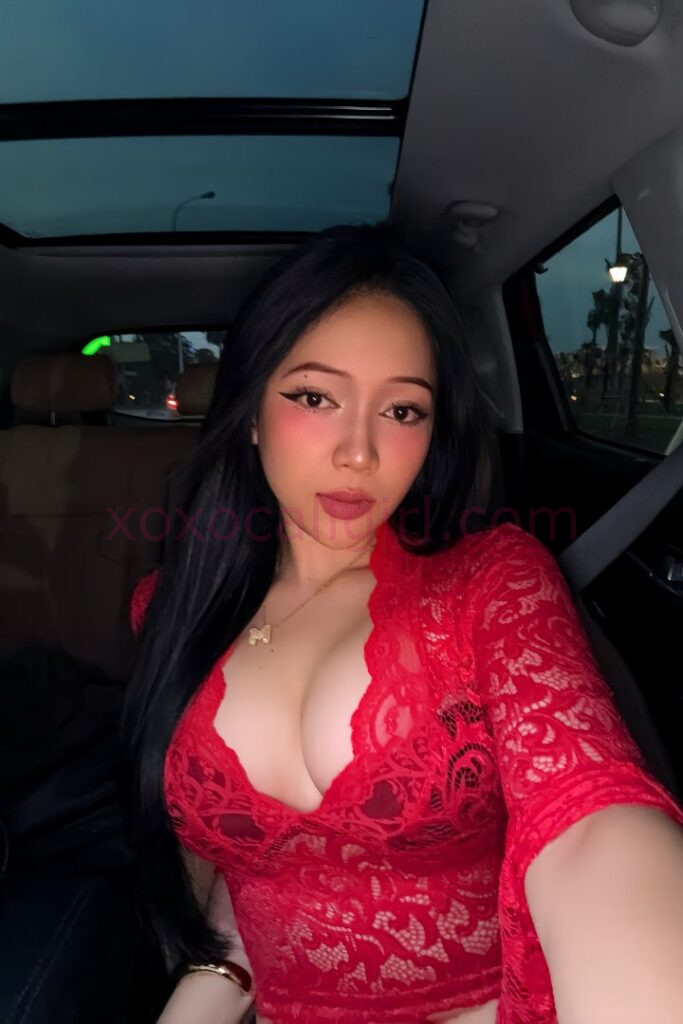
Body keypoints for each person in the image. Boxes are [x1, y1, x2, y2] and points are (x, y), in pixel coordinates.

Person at [121, 224, 683, 1024]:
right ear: (249, 413)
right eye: (314, 397)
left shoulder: (489, 584)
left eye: (401, 409)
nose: (359, 452)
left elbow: (589, 819)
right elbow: (240, 910)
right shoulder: (171, 610)